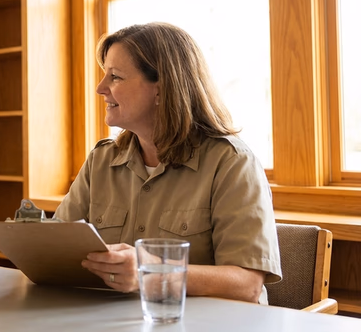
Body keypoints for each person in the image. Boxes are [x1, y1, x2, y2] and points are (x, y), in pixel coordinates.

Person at [54, 22, 281, 304]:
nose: (100, 88)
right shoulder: (100, 160)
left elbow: (247, 285)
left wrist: (153, 273)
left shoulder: (233, 163)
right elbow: (56, 250)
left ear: (161, 90)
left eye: (115, 77)